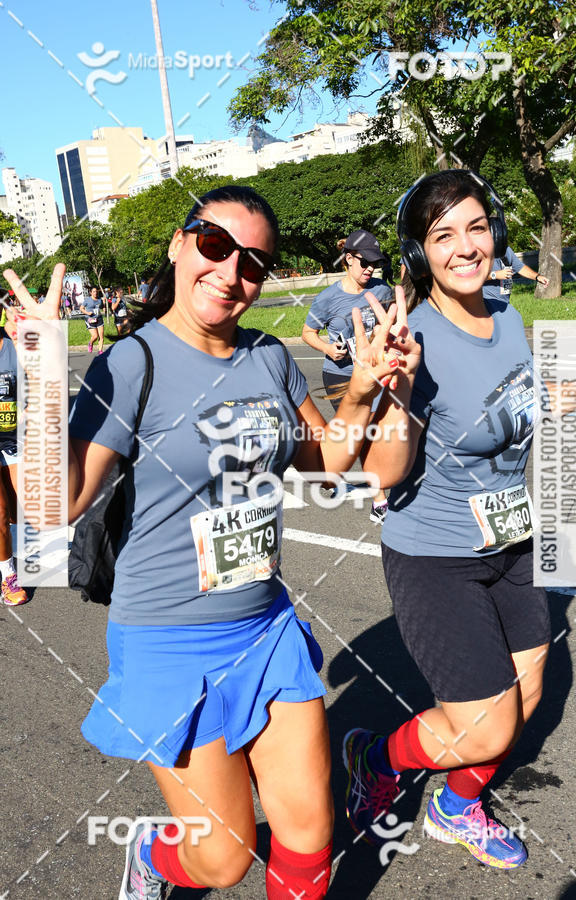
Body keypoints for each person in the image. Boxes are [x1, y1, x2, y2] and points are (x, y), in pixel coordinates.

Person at [3, 185, 400, 899]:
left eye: (254, 262)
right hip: (168, 641)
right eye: (215, 245)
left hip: (265, 628)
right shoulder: (132, 363)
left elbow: (326, 465)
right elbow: (51, 504)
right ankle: (151, 853)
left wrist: (363, 391)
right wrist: (43, 372)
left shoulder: (269, 356)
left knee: (310, 834)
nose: (231, 272)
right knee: (223, 860)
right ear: (179, 244)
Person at [343, 169, 576, 870]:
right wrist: (397, 392)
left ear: (496, 233)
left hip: (512, 539)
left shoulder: (506, 315)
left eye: (477, 227)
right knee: (486, 729)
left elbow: (520, 399)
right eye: (443, 234)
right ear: (418, 251)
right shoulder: (413, 339)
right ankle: (377, 759)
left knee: (528, 696)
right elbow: (381, 474)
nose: (465, 246)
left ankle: (455, 807)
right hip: (436, 556)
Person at [302, 230, 393, 523]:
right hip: (339, 376)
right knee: (359, 435)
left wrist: (383, 333)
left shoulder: (382, 290)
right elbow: (308, 333)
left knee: (374, 433)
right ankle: (376, 499)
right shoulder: (328, 298)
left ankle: (376, 493)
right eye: (365, 263)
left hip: (373, 374)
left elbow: (389, 324)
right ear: (349, 259)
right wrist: (329, 348)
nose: (370, 269)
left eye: (374, 264)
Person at [0, 308, 27, 606]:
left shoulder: (14, 346)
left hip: (13, 438)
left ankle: (7, 551)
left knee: (20, 512)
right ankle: (8, 577)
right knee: (1, 512)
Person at [483, 245, 549, 301]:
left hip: (504, 301)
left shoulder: (506, 249)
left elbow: (520, 267)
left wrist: (537, 277)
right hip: (487, 300)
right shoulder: (482, 251)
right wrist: (494, 275)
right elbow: (476, 277)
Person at [80, 286, 104, 354]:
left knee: (101, 336)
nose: (95, 293)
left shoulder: (99, 299)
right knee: (95, 336)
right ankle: (90, 343)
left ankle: (100, 351)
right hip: (90, 319)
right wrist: (87, 313)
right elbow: (81, 308)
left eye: (96, 291)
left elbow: (101, 307)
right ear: (91, 293)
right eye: (94, 292)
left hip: (99, 319)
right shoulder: (87, 300)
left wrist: (104, 303)